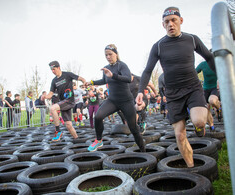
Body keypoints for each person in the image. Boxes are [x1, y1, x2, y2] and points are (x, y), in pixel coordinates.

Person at [136, 7, 215, 168]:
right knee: (179, 135)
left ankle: (201, 123)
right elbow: (147, 71)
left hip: (193, 88)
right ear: (162, 25)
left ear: (181, 21)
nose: (170, 24)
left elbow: (209, 57)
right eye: (167, 22)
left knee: (199, 121)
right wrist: (139, 92)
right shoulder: (158, 46)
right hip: (172, 94)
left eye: (174, 20)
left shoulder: (192, 39)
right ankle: (192, 168)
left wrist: (220, 78)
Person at [87, 44, 145, 152]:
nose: (108, 57)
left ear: (116, 54)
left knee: (134, 129)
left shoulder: (122, 66)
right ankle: (99, 140)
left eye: (110, 54)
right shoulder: (107, 68)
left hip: (126, 101)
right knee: (98, 116)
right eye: (106, 55)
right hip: (112, 100)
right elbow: (104, 80)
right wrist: (91, 82)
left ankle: (143, 151)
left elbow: (128, 79)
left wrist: (113, 75)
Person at [43, 60, 86, 141]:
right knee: (68, 125)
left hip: (69, 101)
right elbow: (50, 94)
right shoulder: (54, 81)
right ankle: (77, 140)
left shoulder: (67, 74)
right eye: (51, 70)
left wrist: (84, 82)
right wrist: (45, 97)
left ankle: (58, 131)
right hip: (63, 103)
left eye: (54, 69)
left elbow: (81, 78)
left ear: (58, 68)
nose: (53, 71)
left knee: (53, 108)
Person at [196, 59, 221, 130]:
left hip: (215, 87)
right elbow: (194, 72)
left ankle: (218, 108)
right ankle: (211, 126)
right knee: (205, 106)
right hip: (206, 88)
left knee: (212, 101)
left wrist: (220, 80)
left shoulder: (217, 63)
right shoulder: (203, 64)